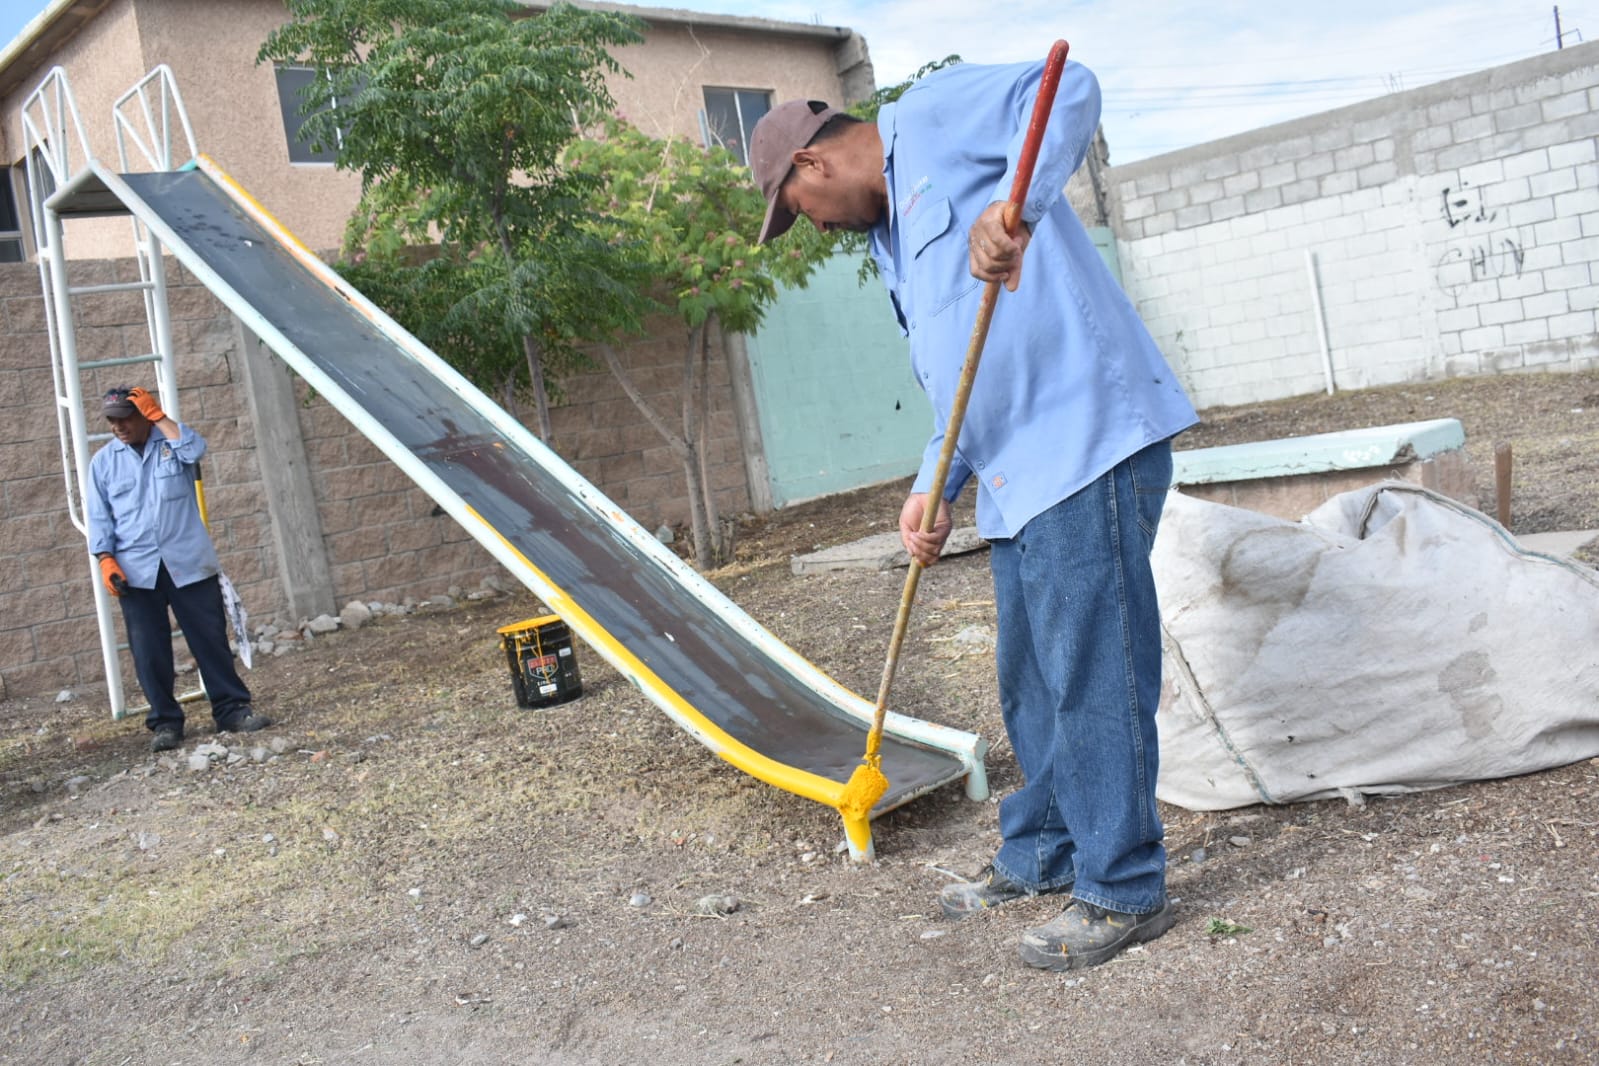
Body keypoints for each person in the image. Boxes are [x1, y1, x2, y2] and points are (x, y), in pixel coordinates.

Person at [748, 55, 1198, 971]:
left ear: (811, 168)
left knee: (1093, 670)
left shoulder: (933, 115)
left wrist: (1017, 209)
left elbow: (1067, 91)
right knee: (1030, 680)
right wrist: (931, 483)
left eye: (801, 216)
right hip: (1011, 477)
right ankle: (1041, 852)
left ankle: (1122, 888)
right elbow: (963, 371)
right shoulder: (889, 244)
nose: (815, 230)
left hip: (1087, 442)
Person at [87, 386, 271, 752]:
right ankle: (166, 724)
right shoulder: (103, 463)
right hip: (137, 571)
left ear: (143, 414)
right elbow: (98, 517)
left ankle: (232, 710)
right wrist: (105, 558)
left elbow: (196, 449)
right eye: (112, 420)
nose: (119, 426)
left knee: (210, 641)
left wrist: (160, 418)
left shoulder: (172, 443)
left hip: (188, 562)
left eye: (126, 417)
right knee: (149, 651)